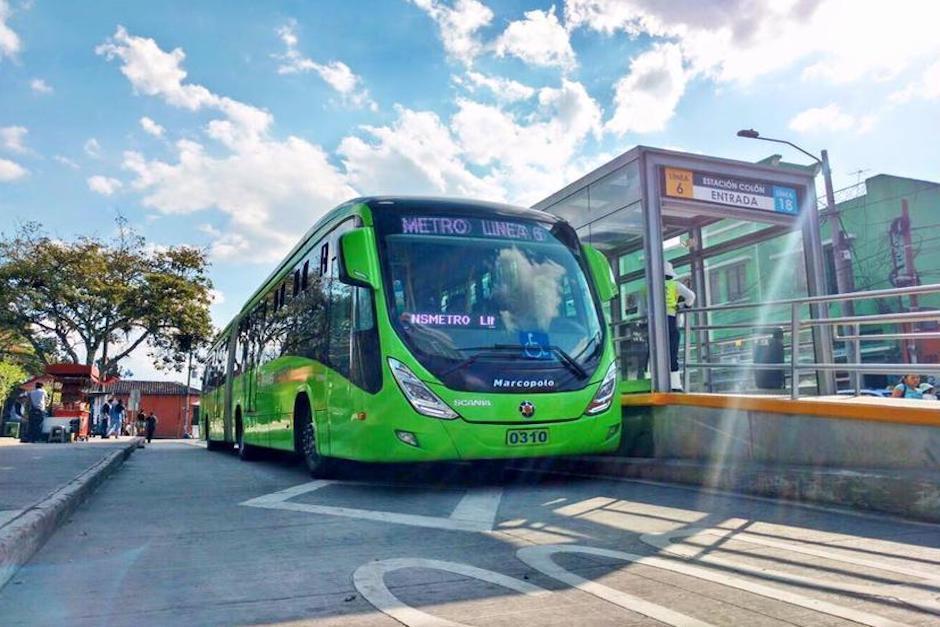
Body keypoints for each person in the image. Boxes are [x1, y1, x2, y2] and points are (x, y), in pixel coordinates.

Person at [664, 260, 696, 391]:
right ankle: (675, 385)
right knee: (672, 353)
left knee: (656, 355)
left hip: (654, 325)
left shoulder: (649, 286)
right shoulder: (674, 285)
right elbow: (691, 296)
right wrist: (685, 306)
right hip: (671, 320)